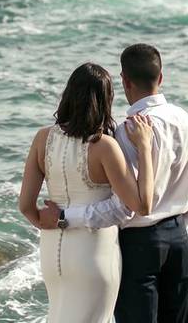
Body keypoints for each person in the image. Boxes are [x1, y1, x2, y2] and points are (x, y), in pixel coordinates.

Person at [39, 44, 188, 323]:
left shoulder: (125, 132)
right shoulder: (186, 121)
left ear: (125, 81)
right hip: (178, 238)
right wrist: (175, 228)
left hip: (139, 244)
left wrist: (66, 217)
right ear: (161, 77)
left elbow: (124, 208)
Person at [18, 62, 155, 323]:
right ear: (106, 101)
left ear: (68, 95)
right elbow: (141, 205)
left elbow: (25, 205)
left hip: (51, 252)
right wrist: (145, 147)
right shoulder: (104, 147)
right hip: (93, 254)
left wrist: (50, 221)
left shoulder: (42, 138)